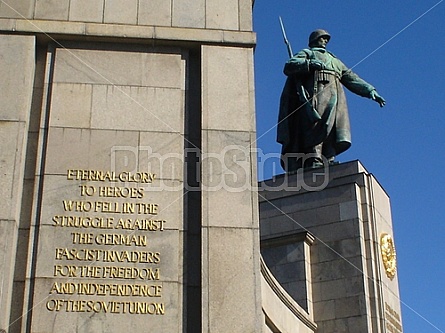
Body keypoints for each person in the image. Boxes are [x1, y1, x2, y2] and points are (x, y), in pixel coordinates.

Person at [277, 29, 385, 172]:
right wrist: (309, 64)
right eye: (322, 38)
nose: (325, 41)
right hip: (315, 94)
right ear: (315, 40)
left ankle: (328, 157)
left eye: (326, 39)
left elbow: (351, 78)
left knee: (333, 126)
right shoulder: (308, 53)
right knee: (316, 125)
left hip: (335, 95)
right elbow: (290, 65)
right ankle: (314, 158)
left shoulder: (335, 61)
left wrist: (370, 91)